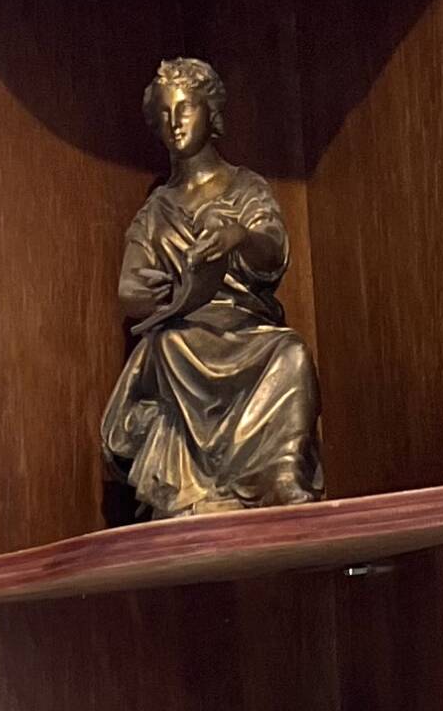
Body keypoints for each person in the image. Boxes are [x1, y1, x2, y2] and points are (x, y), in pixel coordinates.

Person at [99, 57, 320, 518]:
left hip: (244, 329)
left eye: (185, 108)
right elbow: (130, 287)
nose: (174, 122)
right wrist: (148, 296)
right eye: (163, 113)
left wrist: (239, 236)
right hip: (184, 329)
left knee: (292, 354)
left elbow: (274, 249)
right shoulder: (156, 210)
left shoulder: (244, 187)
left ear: (211, 113)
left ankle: (279, 472)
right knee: (170, 348)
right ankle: (192, 486)